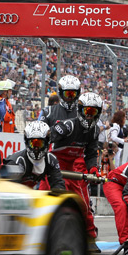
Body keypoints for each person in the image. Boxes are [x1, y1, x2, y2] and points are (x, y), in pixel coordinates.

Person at [48, 92, 103, 245]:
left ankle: (89, 239)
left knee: (83, 205)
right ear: (80, 110)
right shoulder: (67, 126)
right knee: (49, 204)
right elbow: (46, 139)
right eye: (87, 112)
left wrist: (93, 169)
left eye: (94, 112)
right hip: (53, 168)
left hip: (72, 170)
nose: (90, 116)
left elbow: (91, 153)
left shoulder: (94, 131)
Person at [2, 121, 65, 190]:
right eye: (33, 144)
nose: (36, 148)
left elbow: (58, 184)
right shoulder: (17, 162)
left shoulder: (51, 160)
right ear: (27, 143)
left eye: (40, 144)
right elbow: (7, 191)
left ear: (47, 143)